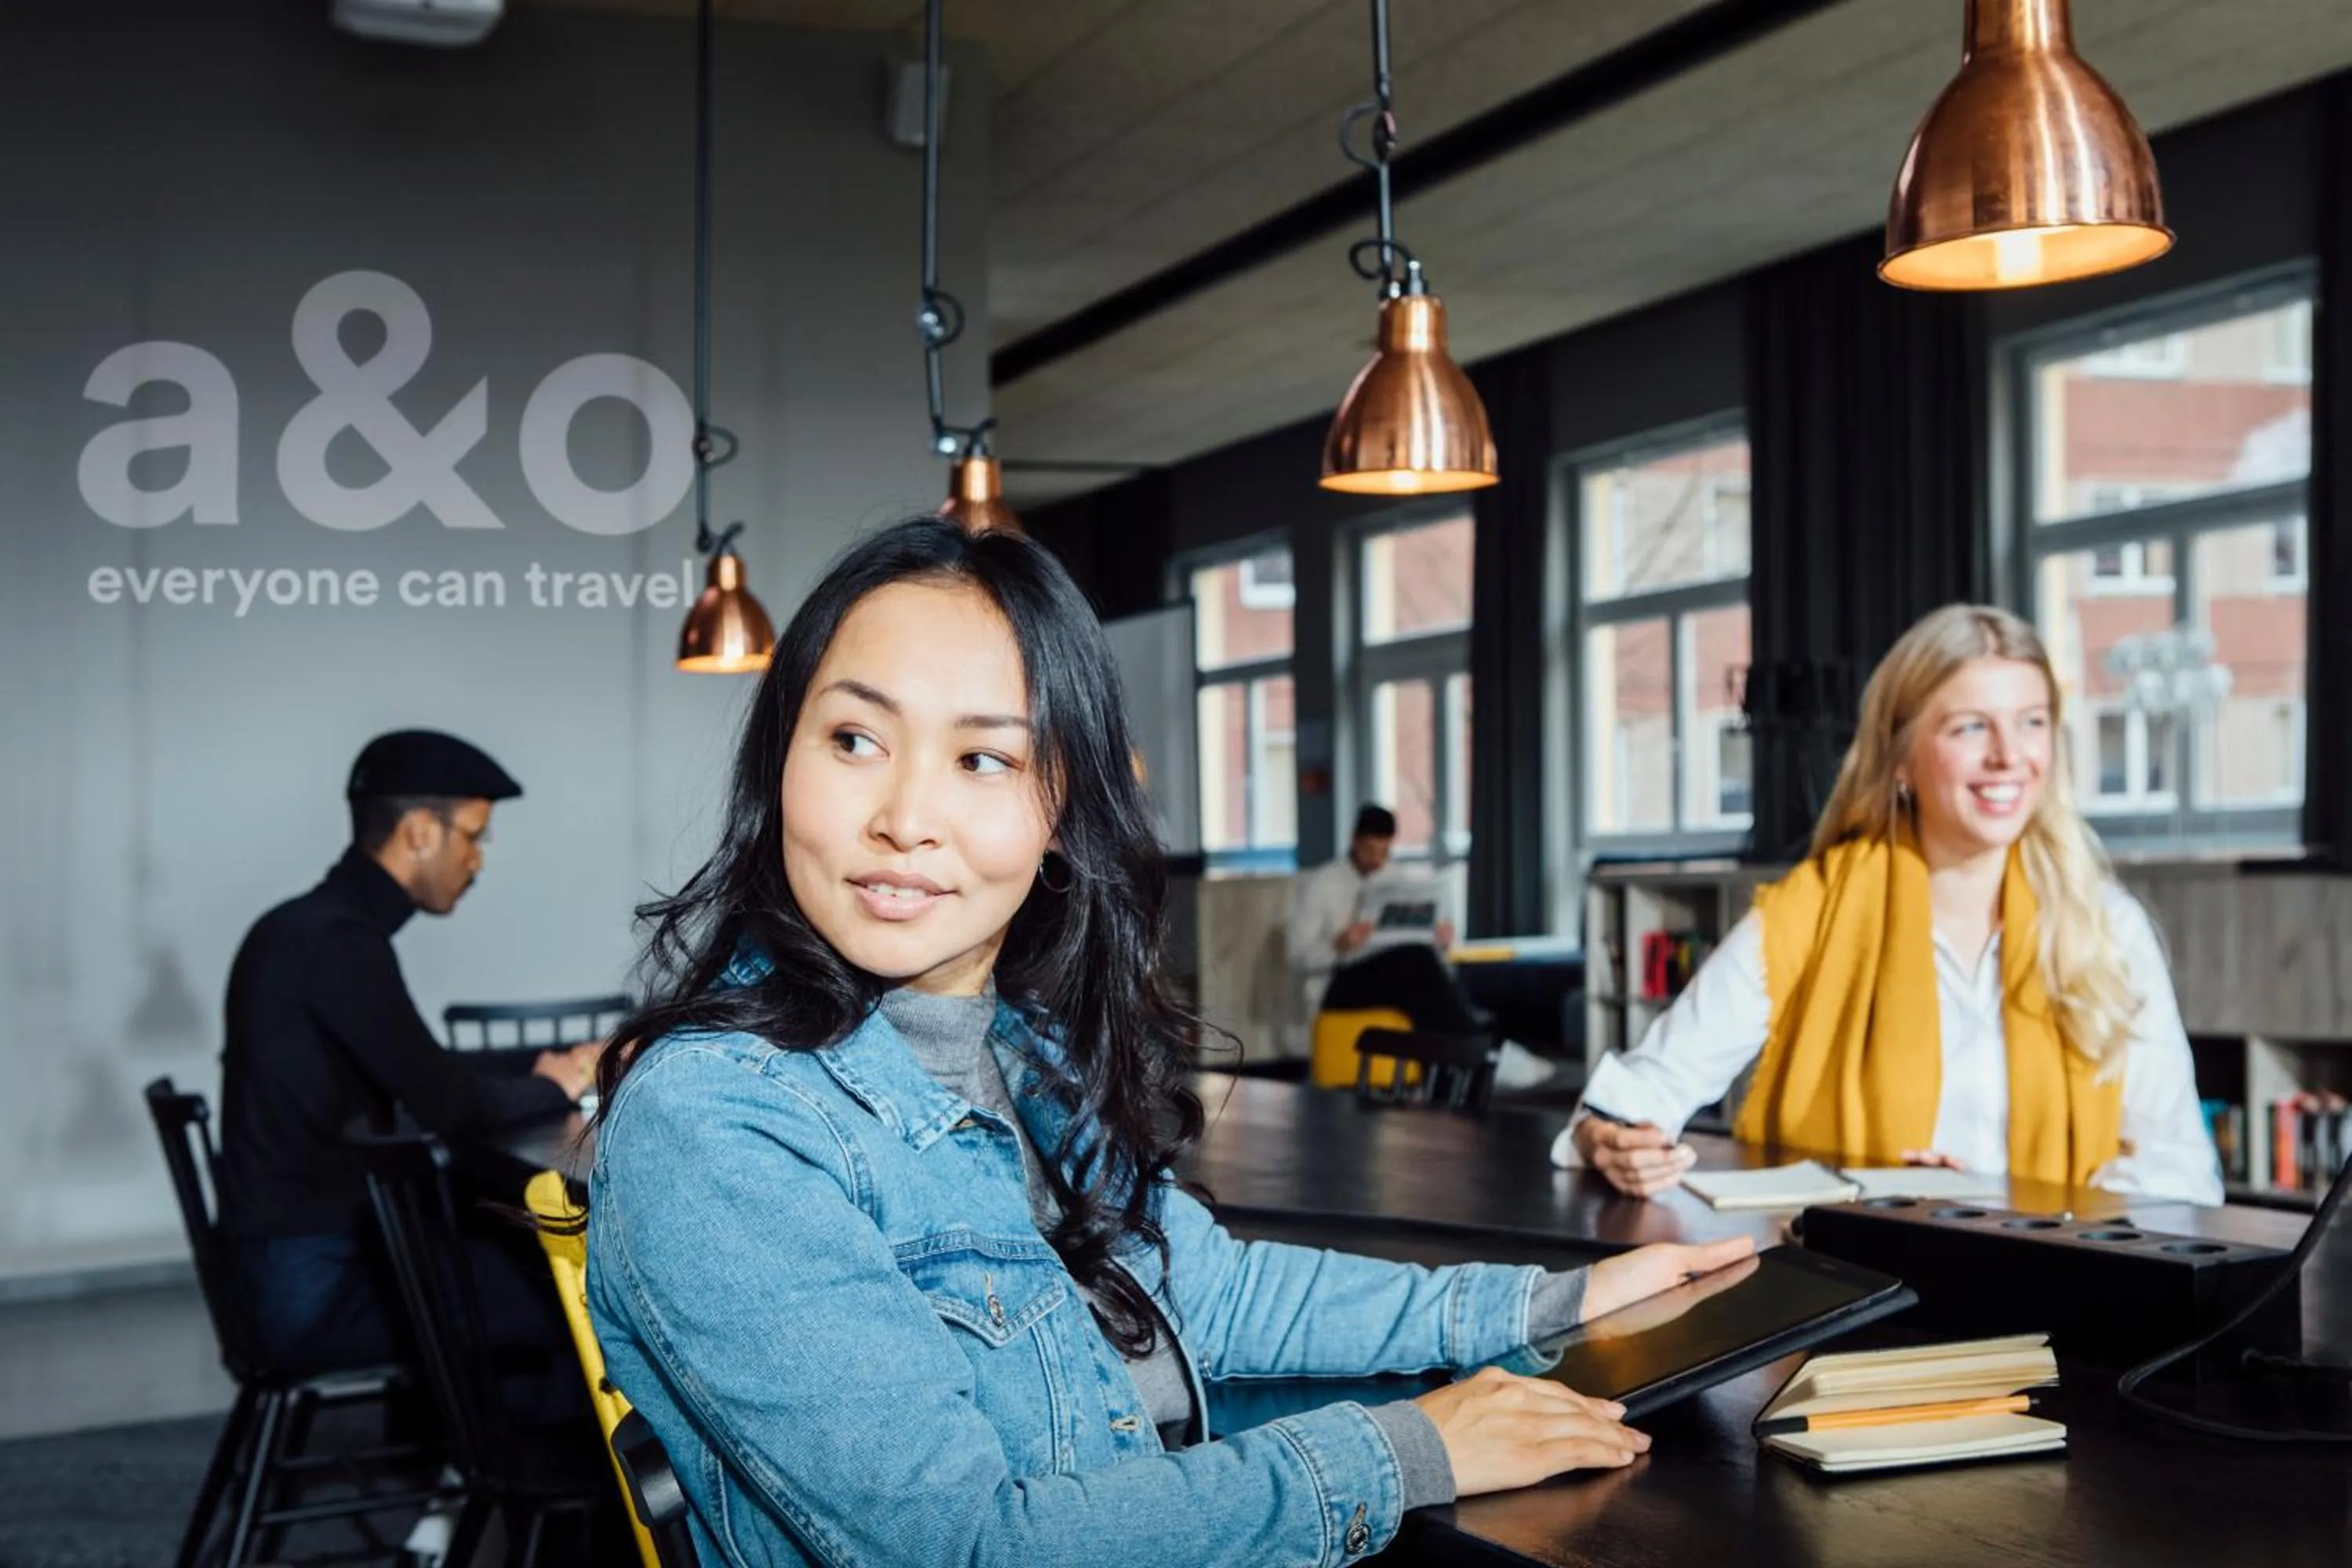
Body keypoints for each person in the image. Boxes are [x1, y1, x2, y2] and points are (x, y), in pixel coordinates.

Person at [585, 519, 1751, 1565]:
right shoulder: (715, 1126)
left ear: (1061, 813)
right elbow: (963, 1546)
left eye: (983, 758)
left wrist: (1552, 1304)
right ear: (781, 760)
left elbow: (1214, 1293)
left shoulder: (1025, 1050)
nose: (903, 818)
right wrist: (1406, 1450)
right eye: (854, 739)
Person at [1557, 605, 2223, 1207]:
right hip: (1850, 1277)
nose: (2008, 756)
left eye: (2032, 722)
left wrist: (2002, 1209)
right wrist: (1607, 1139)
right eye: (1970, 727)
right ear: (1901, 759)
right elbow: (1643, 1094)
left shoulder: (2105, 926)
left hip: (2059, 1280)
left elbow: (2180, 1171)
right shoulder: (1811, 912)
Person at [218, 729, 602, 1377]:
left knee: (518, 1258)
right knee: (574, 1292)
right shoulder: (338, 943)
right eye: (473, 837)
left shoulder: (308, 929)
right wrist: (559, 1085)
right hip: (309, 1289)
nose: (477, 860)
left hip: (289, 1266)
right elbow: (448, 1102)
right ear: (420, 833)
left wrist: (553, 1063)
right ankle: (523, 1447)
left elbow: (420, 1066)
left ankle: (476, 1433)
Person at [1290, 804, 1555, 1088]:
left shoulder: (1396, 879)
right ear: (1354, 840)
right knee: (1415, 963)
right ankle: (1485, 1051)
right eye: (1369, 850)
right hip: (1337, 984)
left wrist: (1439, 939)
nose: (1376, 860)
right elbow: (1296, 955)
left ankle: (1461, 1066)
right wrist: (1338, 945)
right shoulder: (1322, 883)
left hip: (1392, 978)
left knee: (1422, 964)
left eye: (1383, 851)